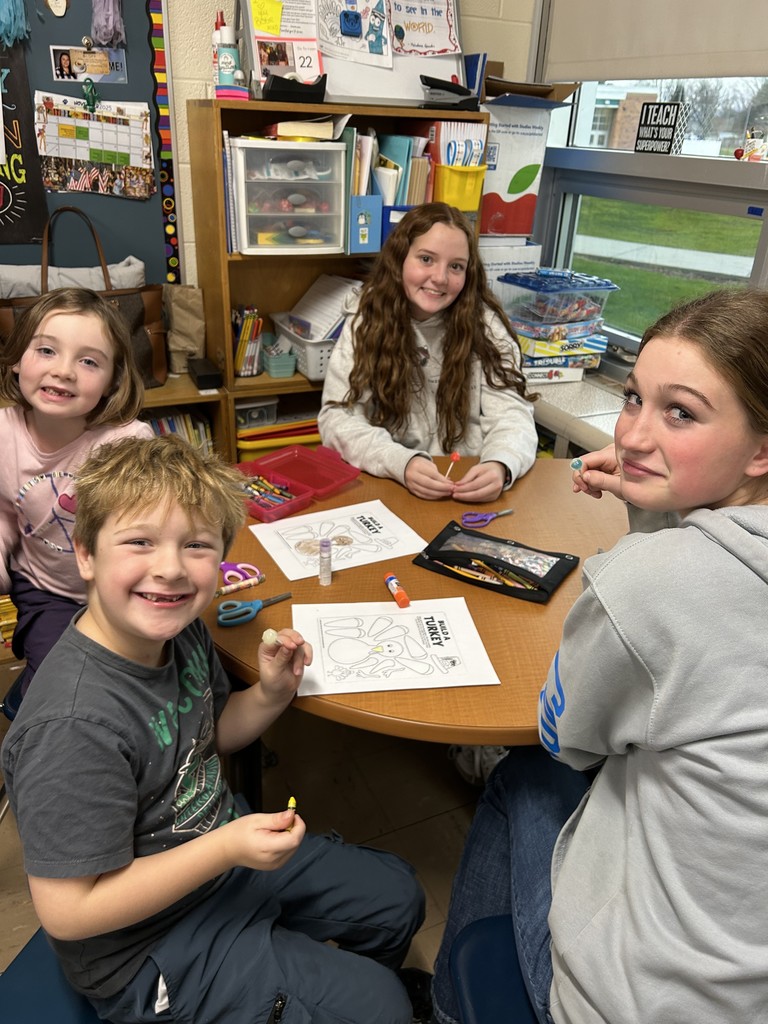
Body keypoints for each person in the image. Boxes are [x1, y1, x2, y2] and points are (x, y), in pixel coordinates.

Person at [1, 434, 428, 1024]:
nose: (171, 569)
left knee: (397, 897)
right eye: (139, 541)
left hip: (215, 859)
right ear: (85, 555)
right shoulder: (73, 726)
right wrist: (224, 847)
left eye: (196, 544)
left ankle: (313, 988)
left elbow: (210, 735)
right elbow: (70, 911)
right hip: (145, 947)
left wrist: (273, 693)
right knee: (383, 1007)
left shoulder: (178, 631)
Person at [431, 287, 768, 1024]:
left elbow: (568, 739)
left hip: (641, 1000)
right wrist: (662, 501)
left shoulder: (651, 586)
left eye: (681, 412)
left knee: (526, 773)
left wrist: (649, 524)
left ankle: (454, 1005)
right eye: (633, 399)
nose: (637, 437)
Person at [318, 202, 538, 506]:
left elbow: (513, 414)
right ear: (399, 260)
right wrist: (401, 462)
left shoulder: (486, 326)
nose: (440, 278)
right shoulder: (366, 319)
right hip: (392, 486)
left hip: (466, 485)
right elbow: (337, 418)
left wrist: (501, 463)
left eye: (456, 266)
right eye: (426, 259)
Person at [0, 287, 153, 699]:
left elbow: (147, 533)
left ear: (112, 381)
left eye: (88, 361)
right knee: (58, 684)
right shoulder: (2, 433)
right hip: (45, 589)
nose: (64, 371)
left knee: (143, 679)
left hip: (121, 590)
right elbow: (2, 515)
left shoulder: (128, 442)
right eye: (47, 351)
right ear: (17, 359)